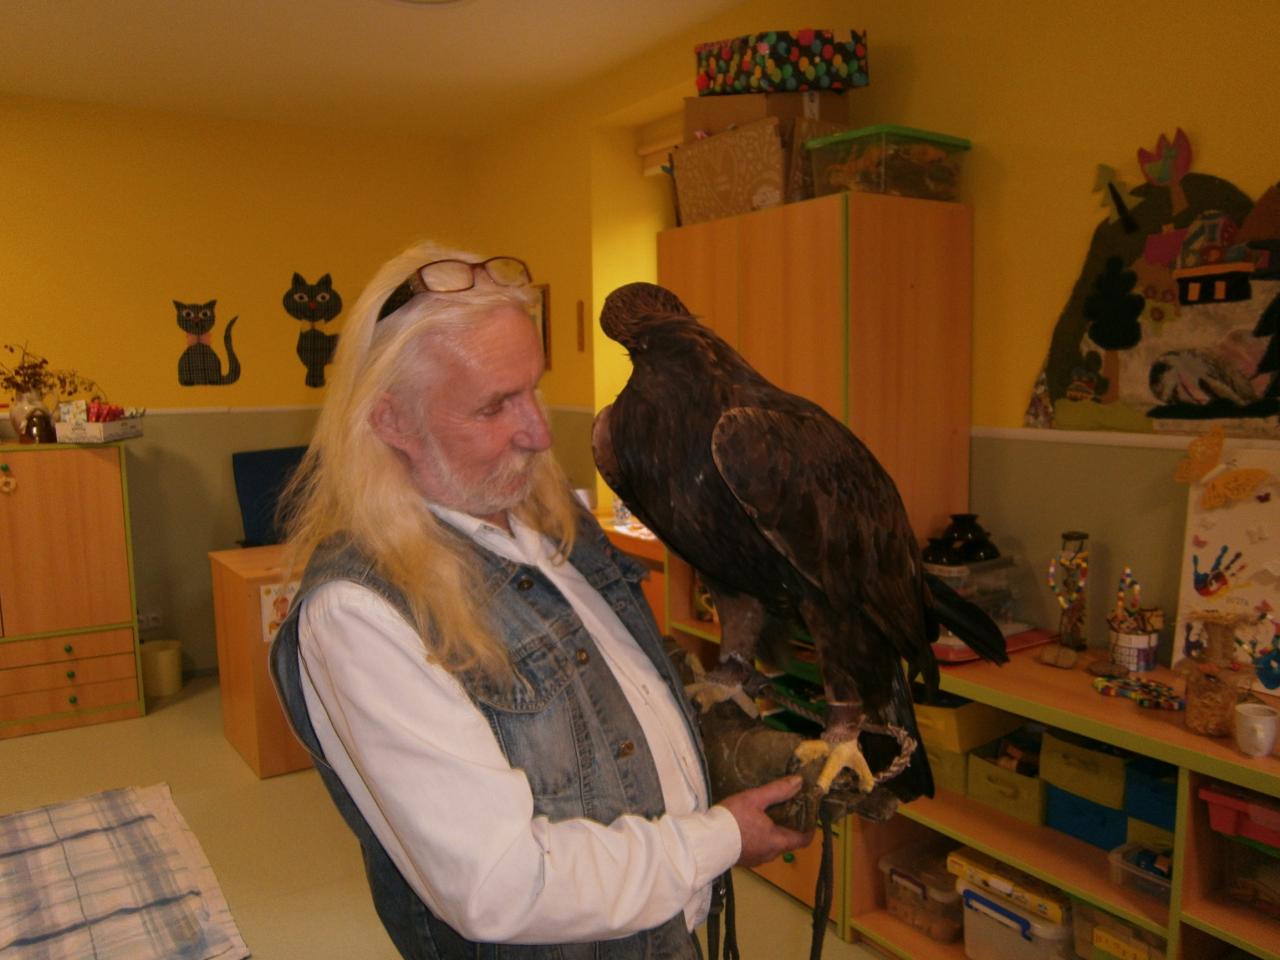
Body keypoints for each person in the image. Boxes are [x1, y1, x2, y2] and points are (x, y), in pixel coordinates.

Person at [268, 240, 812, 959]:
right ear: (392, 421)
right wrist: (721, 837)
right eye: (495, 406)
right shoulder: (361, 614)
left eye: (533, 389)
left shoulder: (548, 520)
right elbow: (500, 885)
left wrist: (725, 752)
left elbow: (616, 705)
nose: (539, 432)